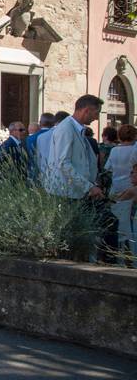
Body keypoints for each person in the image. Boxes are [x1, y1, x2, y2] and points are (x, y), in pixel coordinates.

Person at [45, 95, 115, 262]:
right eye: (96, 113)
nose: (97, 117)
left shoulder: (76, 129)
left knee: (80, 236)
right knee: (69, 238)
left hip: (77, 193)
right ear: (86, 110)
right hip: (67, 194)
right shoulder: (66, 129)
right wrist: (88, 186)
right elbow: (63, 163)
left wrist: (93, 183)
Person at [107, 124, 137, 262]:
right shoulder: (135, 149)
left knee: (118, 221)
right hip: (131, 187)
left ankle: (119, 254)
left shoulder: (114, 151)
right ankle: (131, 253)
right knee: (129, 222)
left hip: (115, 187)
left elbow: (108, 168)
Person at [36, 110, 69, 185]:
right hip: (64, 178)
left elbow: (39, 158)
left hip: (45, 175)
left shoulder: (41, 137)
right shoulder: (67, 135)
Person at [26, 112, 55, 183]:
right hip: (53, 172)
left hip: (35, 172)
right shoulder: (57, 136)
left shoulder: (30, 138)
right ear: (53, 123)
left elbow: (29, 156)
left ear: (40, 123)